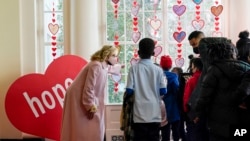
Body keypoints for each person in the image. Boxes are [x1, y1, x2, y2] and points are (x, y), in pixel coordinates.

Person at [193, 41, 250, 140]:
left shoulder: (214, 70)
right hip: (242, 120)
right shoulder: (246, 67)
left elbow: (204, 96)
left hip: (218, 123)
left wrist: (197, 113)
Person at [60, 45, 119, 141]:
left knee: (89, 127)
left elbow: (106, 72)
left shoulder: (101, 66)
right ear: (107, 55)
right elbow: (89, 87)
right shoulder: (96, 65)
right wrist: (90, 106)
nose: (116, 58)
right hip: (78, 98)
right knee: (82, 128)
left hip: (87, 97)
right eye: (114, 55)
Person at [125, 37, 167, 141]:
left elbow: (129, 91)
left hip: (139, 113)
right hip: (154, 112)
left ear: (138, 52)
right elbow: (163, 91)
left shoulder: (133, 69)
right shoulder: (158, 70)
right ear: (153, 53)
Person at [160, 55, 180, 141]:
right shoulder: (173, 76)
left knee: (164, 130)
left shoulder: (158, 75)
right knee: (175, 130)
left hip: (161, 105)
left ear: (160, 65)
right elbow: (177, 89)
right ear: (170, 66)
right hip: (172, 105)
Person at [182, 58, 203, 141]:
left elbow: (186, 97)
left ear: (196, 67)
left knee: (192, 134)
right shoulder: (207, 77)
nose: (191, 68)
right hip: (204, 113)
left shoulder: (192, 80)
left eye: (192, 66)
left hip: (192, 113)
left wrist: (186, 110)